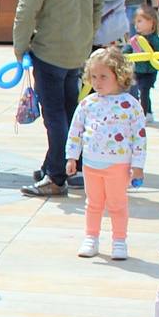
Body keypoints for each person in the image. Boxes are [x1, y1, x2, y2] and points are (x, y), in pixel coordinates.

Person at [15, 0, 102, 199]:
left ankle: (56, 177)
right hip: (76, 51)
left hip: (50, 51)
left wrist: (20, 46)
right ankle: (60, 166)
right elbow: (97, 4)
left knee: (55, 116)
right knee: (68, 111)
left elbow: (27, 9)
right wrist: (85, 37)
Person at [65, 47, 146, 260]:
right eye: (93, 77)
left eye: (103, 76)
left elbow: (139, 137)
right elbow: (76, 130)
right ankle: (91, 237)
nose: (97, 82)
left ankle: (119, 240)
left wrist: (138, 166)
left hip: (118, 166)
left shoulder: (131, 105)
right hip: (91, 164)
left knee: (118, 204)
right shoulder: (88, 103)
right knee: (93, 203)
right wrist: (72, 156)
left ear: (119, 76)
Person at [126, 5, 159, 118]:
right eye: (135, 22)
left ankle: (144, 114)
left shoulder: (155, 39)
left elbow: (158, 55)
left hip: (149, 72)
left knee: (144, 91)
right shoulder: (135, 39)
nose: (136, 25)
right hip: (137, 71)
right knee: (134, 91)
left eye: (140, 21)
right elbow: (127, 50)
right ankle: (143, 112)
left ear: (151, 22)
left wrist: (150, 55)